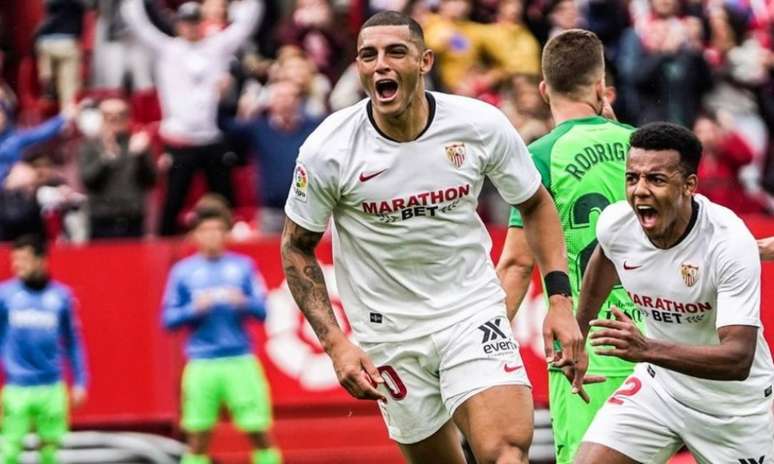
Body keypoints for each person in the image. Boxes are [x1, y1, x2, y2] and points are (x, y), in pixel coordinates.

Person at [281, 11, 589, 463]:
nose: (380, 64)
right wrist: (336, 344)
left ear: (425, 62)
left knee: (505, 451)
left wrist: (560, 300)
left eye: (395, 52)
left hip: (471, 311)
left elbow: (536, 203)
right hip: (387, 332)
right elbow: (295, 246)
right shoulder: (328, 149)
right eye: (369, 55)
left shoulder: (479, 124)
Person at [574, 122, 774, 463]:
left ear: (689, 185)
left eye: (656, 179)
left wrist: (646, 348)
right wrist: (576, 336)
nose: (639, 191)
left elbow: (738, 358)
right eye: (632, 178)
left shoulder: (728, 241)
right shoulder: (616, 223)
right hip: (659, 388)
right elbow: (603, 264)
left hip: (733, 409)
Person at [496, 29, 638, 464]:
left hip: (588, 350)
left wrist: (482, 350)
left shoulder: (540, 155)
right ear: (601, 87)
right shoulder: (646, 148)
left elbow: (518, 264)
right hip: (659, 340)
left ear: (544, 90)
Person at [121, 0, 262, 235]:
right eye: (186, 23)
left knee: (226, 202)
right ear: (178, 25)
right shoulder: (167, 48)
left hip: (211, 138)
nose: (191, 28)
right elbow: (139, 24)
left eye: (195, 23)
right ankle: (165, 251)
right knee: (172, 203)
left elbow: (246, 25)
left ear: (202, 24)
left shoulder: (216, 46)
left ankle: (232, 246)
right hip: (180, 140)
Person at [161, 197, 280, 464]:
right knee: (198, 438)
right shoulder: (183, 272)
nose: (212, 236)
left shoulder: (243, 267)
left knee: (258, 430)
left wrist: (244, 302)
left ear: (225, 232)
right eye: (205, 230)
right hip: (202, 363)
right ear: (196, 234)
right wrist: (194, 308)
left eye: (217, 229)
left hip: (240, 360)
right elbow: (168, 320)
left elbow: (263, 311)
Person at [0, 234, 88, 463]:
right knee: (8, 452)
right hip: (17, 388)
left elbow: (73, 341)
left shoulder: (61, 296)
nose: (17, 266)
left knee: (51, 454)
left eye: (24, 259)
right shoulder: (5, 295)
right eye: (15, 260)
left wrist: (80, 381)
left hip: (51, 387)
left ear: (41, 260)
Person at [219, 79, 320, 235]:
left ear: (299, 100)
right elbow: (226, 126)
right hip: (271, 212)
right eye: (280, 96)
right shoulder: (258, 128)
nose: (286, 101)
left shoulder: (314, 127)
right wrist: (225, 98)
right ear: (271, 101)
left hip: (306, 210)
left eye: (291, 96)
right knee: (270, 256)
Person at [79, 97, 156, 239]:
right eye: (109, 116)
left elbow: (151, 181)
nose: (115, 120)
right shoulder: (90, 146)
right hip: (102, 220)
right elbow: (88, 180)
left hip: (133, 219)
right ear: (101, 118)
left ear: (128, 118)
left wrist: (140, 157)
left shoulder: (138, 143)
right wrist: (106, 158)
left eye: (121, 115)